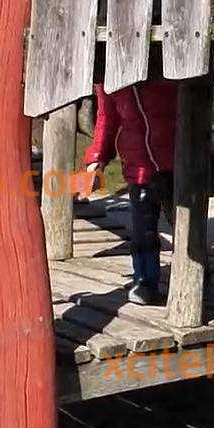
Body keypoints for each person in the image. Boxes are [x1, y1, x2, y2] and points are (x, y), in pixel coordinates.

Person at [79, 80, 177, 304]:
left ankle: (196, 273)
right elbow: (106, 117)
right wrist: (98, 157)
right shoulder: (109, 80)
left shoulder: (168, 77)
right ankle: (144, 281)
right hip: (138, 165)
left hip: (174, 160)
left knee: (183, 224)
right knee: (143, 230)